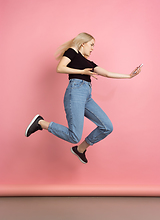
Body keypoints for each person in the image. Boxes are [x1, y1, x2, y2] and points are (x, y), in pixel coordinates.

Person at [25, 32, 142, 164]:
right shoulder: (72, 52)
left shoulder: (88, 62)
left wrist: (129, 76)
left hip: (86, 95)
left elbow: (107, 73)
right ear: (83, 43)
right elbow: (60, 68)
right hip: (75, 91)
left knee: (107, 126)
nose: (92, 48)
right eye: (91, 45)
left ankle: (80, 149)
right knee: (74, 136)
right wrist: (82, 72)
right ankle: (41, 123)